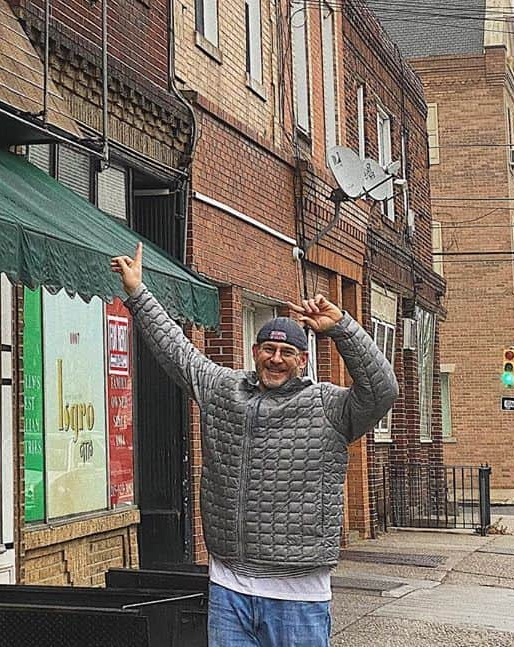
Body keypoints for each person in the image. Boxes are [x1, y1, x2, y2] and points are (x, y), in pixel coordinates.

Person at [111, 242, 398, 647]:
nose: (276, 358)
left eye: (287, 352)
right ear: (255, 352)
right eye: (269, 349)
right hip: (230, 587)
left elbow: (382, 390)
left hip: (298, 595)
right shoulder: (224, 389)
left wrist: (341, 328)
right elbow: (177, 352)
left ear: (302, 359)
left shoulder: (328, 405)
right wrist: (138, 294)